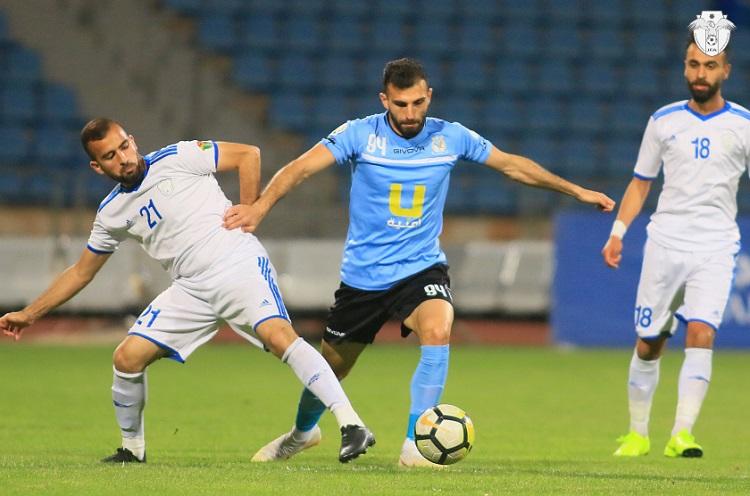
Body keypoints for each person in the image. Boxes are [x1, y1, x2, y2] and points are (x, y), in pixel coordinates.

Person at [223, 58, 615, 467]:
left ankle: (414, 446)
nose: (410, 114)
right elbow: (300, 169)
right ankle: (303, 434)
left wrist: (575, 191)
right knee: (332, 367)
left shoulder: (451, 137)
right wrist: (260, 207)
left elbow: (513, 165)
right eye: (400, 104)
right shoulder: (359, 134)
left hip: (420, 268)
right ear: (384, 100)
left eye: (416, 103)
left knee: (438, 326)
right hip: (363, 278)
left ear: (429, 96)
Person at [0, 118, 375, 464]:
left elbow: (248, 155)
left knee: (280, 336)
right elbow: (81, 271)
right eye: (110, 156)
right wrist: (30, 313)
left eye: (124, 147)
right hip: (190, 288)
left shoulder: (179, 156)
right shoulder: (112, 211)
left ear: (132, 140)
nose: (123, 159)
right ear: (97, 167)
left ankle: (352, 425)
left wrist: (248, 210)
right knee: (127, 358)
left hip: (235, 262)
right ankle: (132, 451)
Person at [603, 39, 749, 458]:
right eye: (693, 65)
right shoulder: (663, 121)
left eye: (710, 66)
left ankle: (682, 433)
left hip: (717, 244)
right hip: (666, 241)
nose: (700, 74)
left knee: (702, 332)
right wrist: (618, 231)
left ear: (726, 71)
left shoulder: (743, 124)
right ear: (684, 68)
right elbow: (641, 181)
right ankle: (637, 433)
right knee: (650, 340)